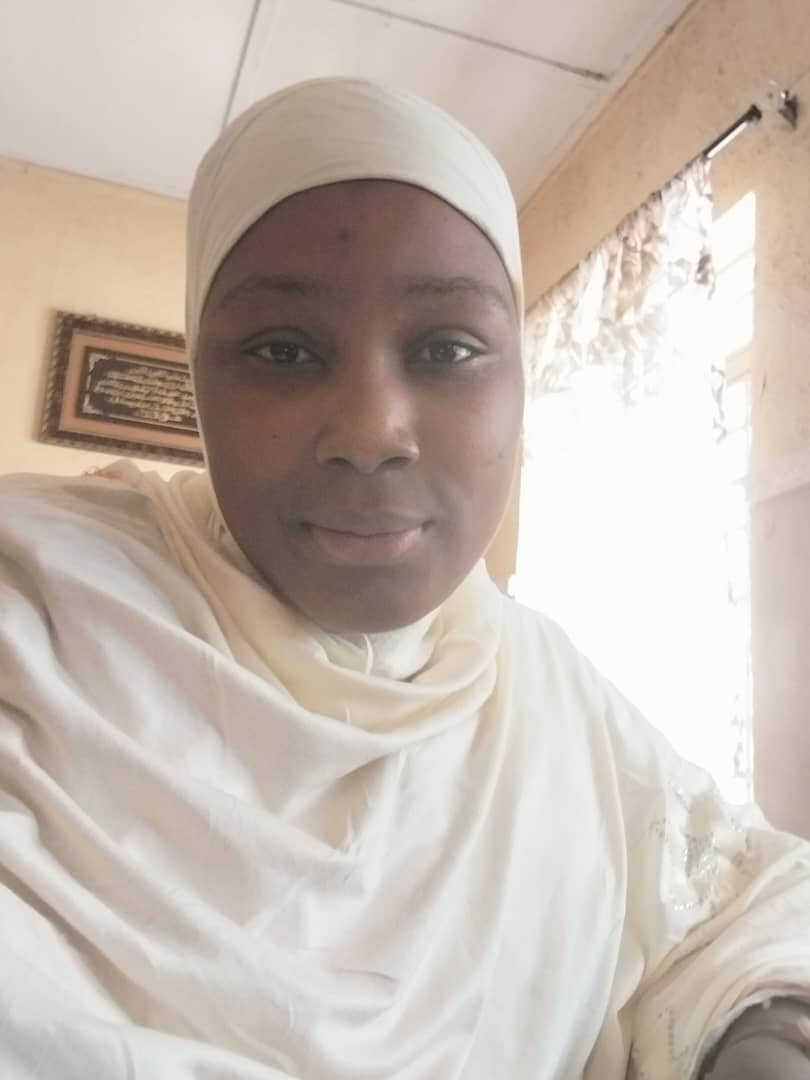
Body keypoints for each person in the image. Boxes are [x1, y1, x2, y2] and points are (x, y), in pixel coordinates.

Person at [0, 77, 809, 1080]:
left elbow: (742, 900)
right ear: (198, 378)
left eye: (448, 348)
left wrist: (770, 1037)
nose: (372, 431)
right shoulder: (37, 608)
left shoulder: (538, 688)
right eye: (283, 350)